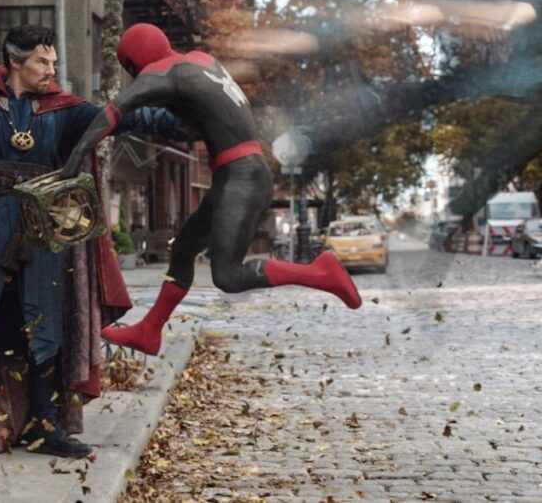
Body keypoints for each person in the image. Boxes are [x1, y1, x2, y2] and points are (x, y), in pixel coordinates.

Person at [0, 25, 184, 469]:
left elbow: (122, 118)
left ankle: (45, 425)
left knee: (41, 328)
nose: (51, 70)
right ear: (14, 62)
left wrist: (188, 114)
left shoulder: (66, 111)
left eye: (53, 62)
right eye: (42, 62)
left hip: (41, 233)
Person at [58, 23, 362, 356]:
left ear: (135, 62)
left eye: (131, 69)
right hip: (238, 173)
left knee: (228, 275)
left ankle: (319, 273)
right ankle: (149, 331)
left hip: (241, 176)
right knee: (184, 249)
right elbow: (198, 119)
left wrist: (73, 160)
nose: (136, 77)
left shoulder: (163, 71)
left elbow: (112, 113)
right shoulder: (202, 61)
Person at [271, 0, 542, 226]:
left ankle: (451, 211)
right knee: (471, 115)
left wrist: (435, 13)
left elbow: (516, 15)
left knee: (464, 100)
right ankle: (450, 215)